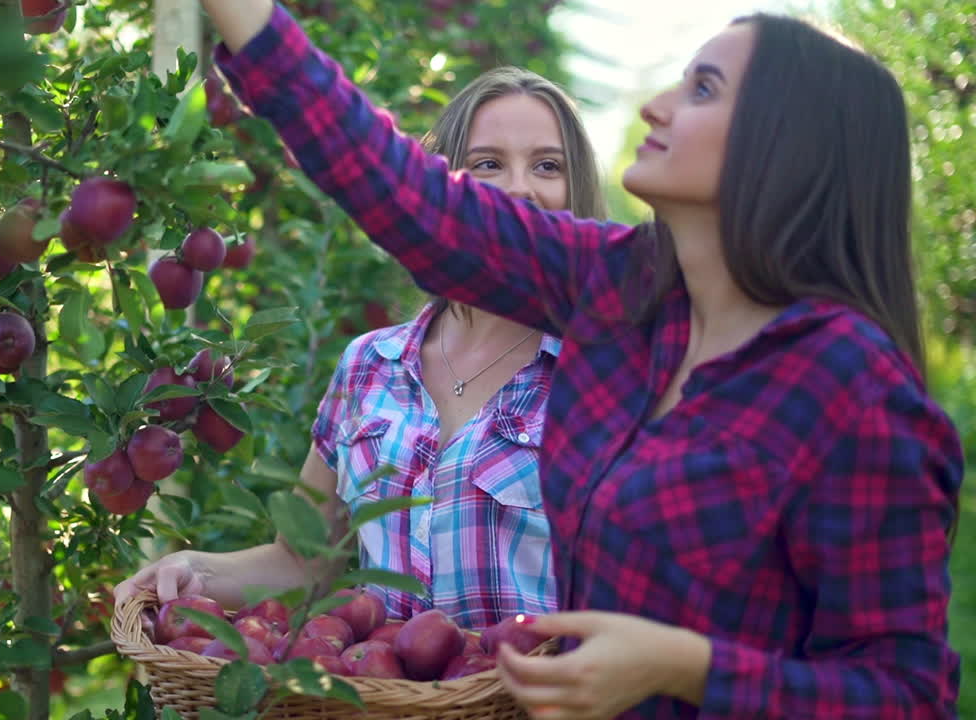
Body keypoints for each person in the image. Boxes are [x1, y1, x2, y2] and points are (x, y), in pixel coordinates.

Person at [199, 2, 964, 719]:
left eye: (702, 88)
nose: (655, 107)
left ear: (787, 142)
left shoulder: (847, 389)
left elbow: (903, 690)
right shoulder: (622, 291)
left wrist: (685, 665)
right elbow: (404, 193)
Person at [114, 66, 608, 630]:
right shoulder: (371, 365)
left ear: (577, 190)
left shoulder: (602, 374)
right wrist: (191, 567)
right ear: (440, 188)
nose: (519, 187)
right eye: (487, 163)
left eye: (547, 165)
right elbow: (301, 559)